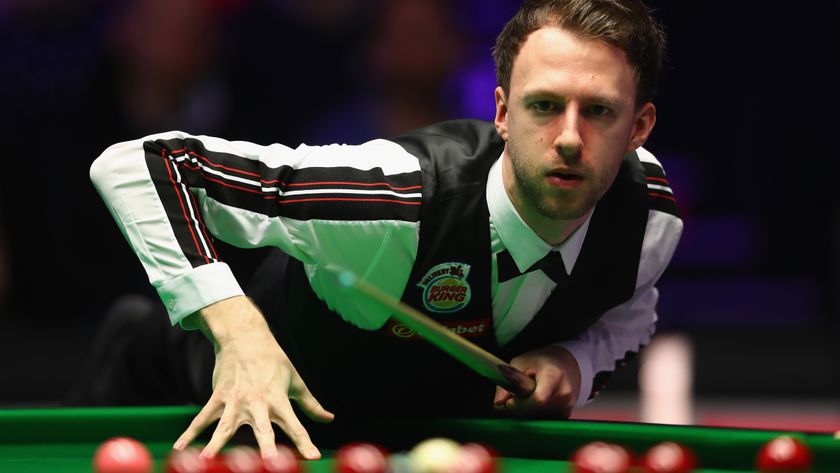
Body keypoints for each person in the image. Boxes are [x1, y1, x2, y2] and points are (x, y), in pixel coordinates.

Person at [82, 0, 682, 461]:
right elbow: (143, 164)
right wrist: (237, 330)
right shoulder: (394, 201)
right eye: (544, 106)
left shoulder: (646, 219)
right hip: (211, 401)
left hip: (416, 439)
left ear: (639, 126)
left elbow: (628, 317)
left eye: (599, 110)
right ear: (501, 113)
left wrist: (574, 362)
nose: (571, 138)